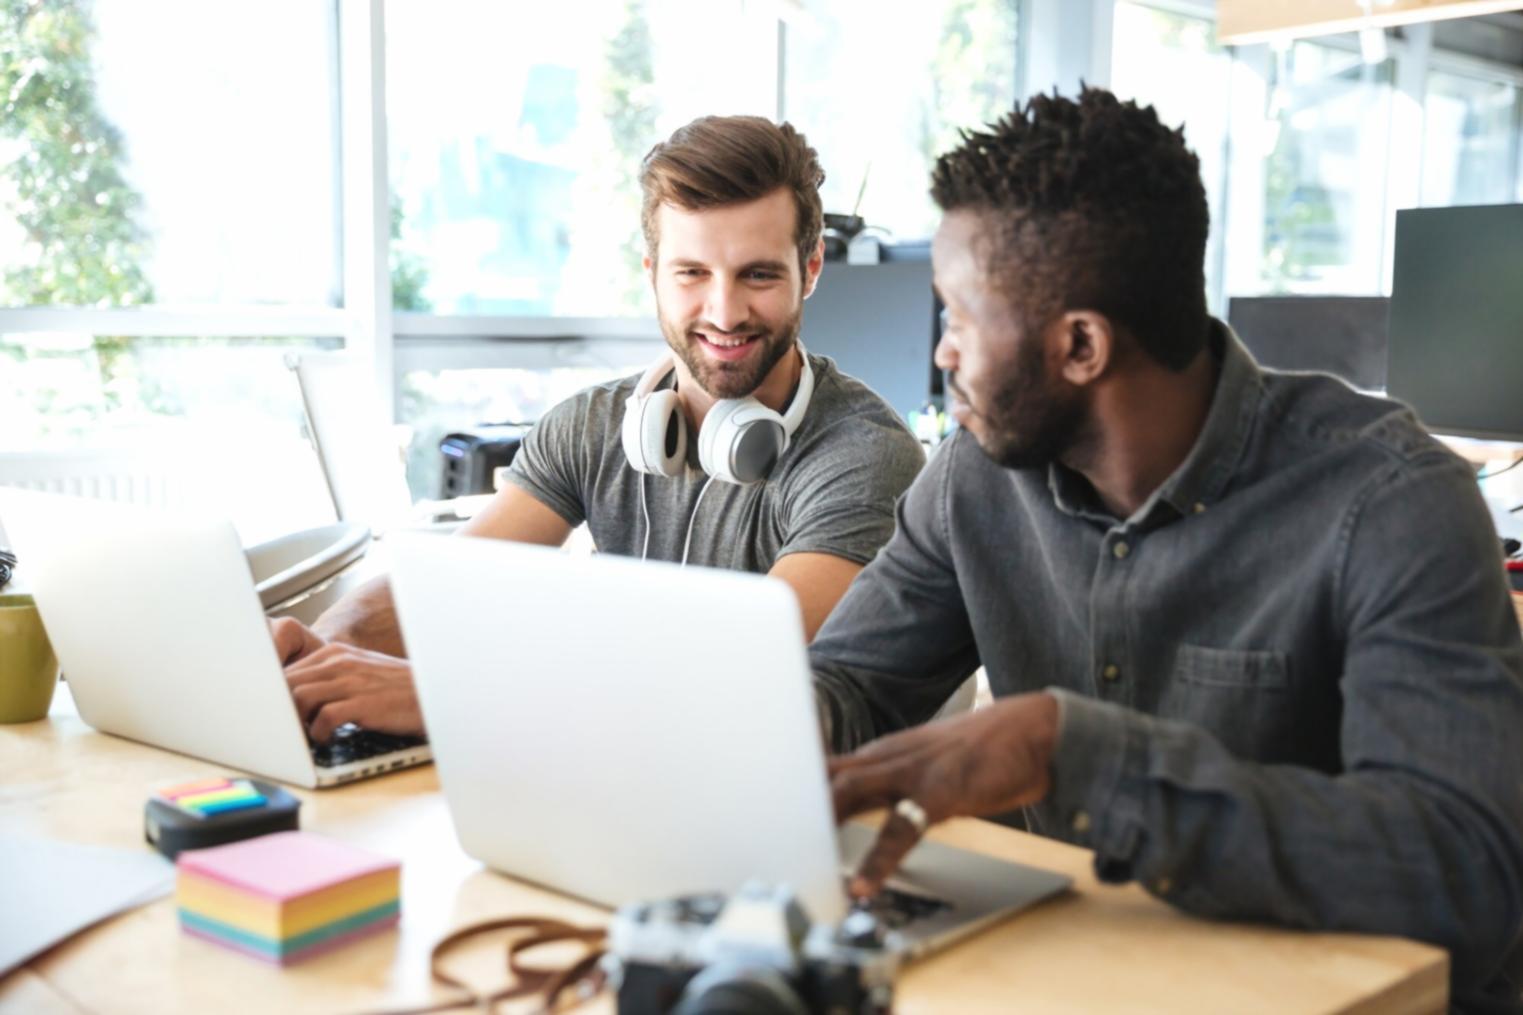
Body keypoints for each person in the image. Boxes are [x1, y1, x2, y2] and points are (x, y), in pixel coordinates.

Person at [813, 88, 1523, 1010]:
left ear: (1080, 345)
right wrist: (778, 721)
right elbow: (854, 686)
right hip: (1091, 975)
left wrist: (1073, 753)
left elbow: (1463, 874)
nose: (941, 355)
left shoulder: (1389, 500)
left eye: (956, 317)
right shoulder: (973, 477)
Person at [274, 115, 925, 743]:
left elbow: (747, 667)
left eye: (757, 274)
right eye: (692, 273)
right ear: (652, 274)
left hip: (778, 793)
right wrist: (322, 649)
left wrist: (445, 697)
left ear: (809, 269)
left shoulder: (864, 455)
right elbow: (446, 590)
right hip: (606, 771)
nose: (725, 312)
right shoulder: (590, 426)